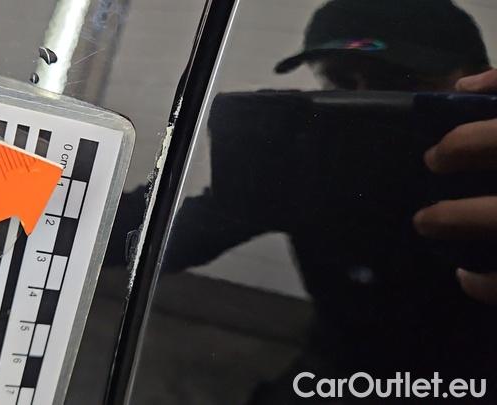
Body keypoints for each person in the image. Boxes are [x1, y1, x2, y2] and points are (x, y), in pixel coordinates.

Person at [150, 0, 497, 403]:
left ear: (479, 83)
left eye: (399, 80)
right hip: (341, 365)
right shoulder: (313, 161)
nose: (367, 104)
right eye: (338, 81)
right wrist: (84, 199)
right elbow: (173, 231)